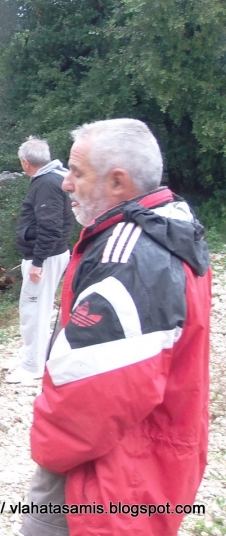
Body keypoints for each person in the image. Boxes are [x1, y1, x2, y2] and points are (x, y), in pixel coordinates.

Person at [22, 118, 212, 536]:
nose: (66, 184)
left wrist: (46, 448)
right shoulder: (170, 227)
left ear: (118, 182)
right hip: (150, 463)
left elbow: (96, 393)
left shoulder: (129, 258)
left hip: (110, 481)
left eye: (77, 172)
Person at [8, 137, 75, 384]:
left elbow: (50, 226)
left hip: (46, 257)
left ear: (25, 162)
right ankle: (33, 355)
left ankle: (32, 366)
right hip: (53, 253)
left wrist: (37, 262)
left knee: (34, 309)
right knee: (37, 307)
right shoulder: (59, 175)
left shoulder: (46, 183)